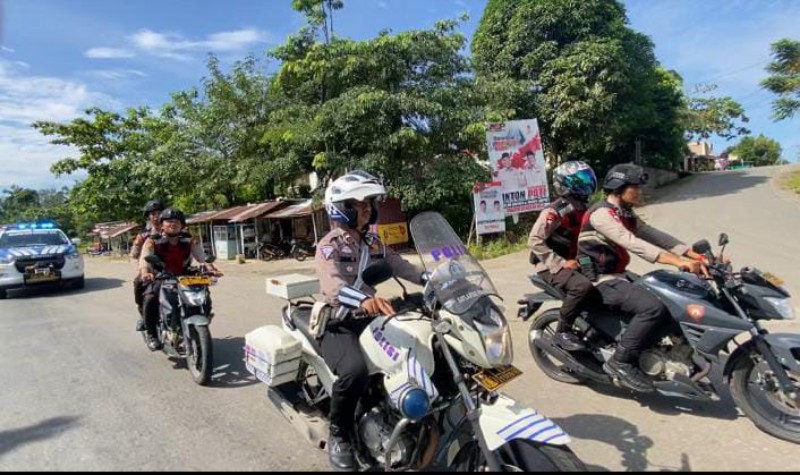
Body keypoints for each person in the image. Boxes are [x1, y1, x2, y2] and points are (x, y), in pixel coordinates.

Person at [316, 170, 425, 471]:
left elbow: (400, 265)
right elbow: (333, 287)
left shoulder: (374, 242)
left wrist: (430, 279)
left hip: (369, 316)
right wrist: (363, 300)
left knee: (413, 345)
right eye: (360, 205)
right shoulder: (329, 246)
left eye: (368, 205)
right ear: (343, 208)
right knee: (354, 372)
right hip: (339, 322)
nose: (367, 210)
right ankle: (339, 433)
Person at [577, 163, 708, 392]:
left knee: (672, 299)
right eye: (634, 187)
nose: (639, 191)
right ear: (619, 187)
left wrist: (689, 253)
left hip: (619, 274)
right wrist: (678, 262)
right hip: (600, 279)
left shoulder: (625, 212)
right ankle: (621, 361)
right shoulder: (601, 214)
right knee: (652, 308)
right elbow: (633, 243)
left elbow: (653, 235)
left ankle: (664, 353)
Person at [528, 161, 598, 351]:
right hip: (550, 266)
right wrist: (559, 263)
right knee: (582, 287)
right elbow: (534, 240)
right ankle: (562, 332)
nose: (587, 184)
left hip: (575, 261)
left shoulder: (584, 207)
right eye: (581, 181)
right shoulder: (555, 210)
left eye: (587, 179)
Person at [138, 208, 221, 351]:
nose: (173, 224)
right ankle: (152, 334)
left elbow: (202, 258)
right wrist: (145, 271)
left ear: (182, 225)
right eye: (169, 221)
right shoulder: (152, 241)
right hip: (162, 276)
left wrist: (210, 268)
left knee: (204, 294)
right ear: (162, 224)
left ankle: (202, 317)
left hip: (185, 276)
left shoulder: (189, 239)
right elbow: (144, 258)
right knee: (151, 297)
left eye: (177, 221)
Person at [131, 199, 165, 331]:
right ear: (149, 217)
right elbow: (134, 255)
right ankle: (144, 315)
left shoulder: (174, 231)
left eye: (159, 213)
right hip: (151, 272)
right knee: (139, 284)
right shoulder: (143, 236)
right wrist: (142, 270)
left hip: (173, 270)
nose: (156, 217)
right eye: (153, 214)